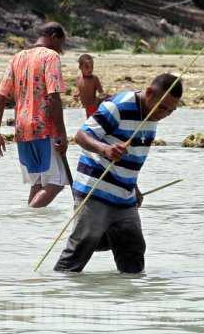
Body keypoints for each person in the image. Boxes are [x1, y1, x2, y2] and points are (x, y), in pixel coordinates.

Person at [54, 74, 182, 274]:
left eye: (171, 110)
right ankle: (57, 291)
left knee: (134, 251)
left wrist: (134, 187)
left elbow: (134, 158)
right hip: (95, 190)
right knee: (78, 253)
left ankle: (132, 300)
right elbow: (81, 136)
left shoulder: (152, 115)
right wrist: (105, 149)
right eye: (163, 107)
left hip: (124, 196)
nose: (164, 113)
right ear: (149, 92)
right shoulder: (119, 106)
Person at [0, 22, 69, 208]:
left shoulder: (17, 57)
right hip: (44, 128)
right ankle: (32, 214)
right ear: (54, 37)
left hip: (22, 129)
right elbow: (53, 96)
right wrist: (61, 133)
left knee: (38, 183)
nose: (61, 49)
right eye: (61, 44)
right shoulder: (50, 57)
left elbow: (0, 97)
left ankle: (29, 225)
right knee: (56, 182)